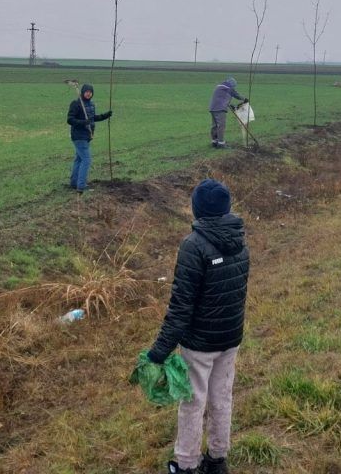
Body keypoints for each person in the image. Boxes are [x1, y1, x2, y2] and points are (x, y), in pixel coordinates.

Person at [147, 179, 250, 474]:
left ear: (197, 210)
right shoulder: (240, 239)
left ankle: (186, 464)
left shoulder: (193, 246)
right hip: (231, 337)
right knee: (221, 398)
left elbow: (181, 307)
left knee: (192, 403)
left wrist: (158, 352)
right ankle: (217, 460)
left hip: (200, 344)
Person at [66, 83, 112, 193]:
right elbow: (70, 120)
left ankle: (74, 183)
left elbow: (92, 118)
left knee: (79, 159)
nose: (88, 94)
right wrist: (83, 122)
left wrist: (105, 115)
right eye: (87, 92)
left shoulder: (91, 104)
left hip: (87, 136)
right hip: (79, 136)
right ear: (82, 92)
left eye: (90, 92)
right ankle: (81, 186)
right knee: (86, 160)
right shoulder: (76, 104)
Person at [208, 77, 246, 148]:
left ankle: (214, 141)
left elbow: (221, 98)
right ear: (232, 84)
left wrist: (229, 104)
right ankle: (221, 143)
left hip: (212, 108)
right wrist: (245, 99)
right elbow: (237, 95)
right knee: (221, 126)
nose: (233, 87)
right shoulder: (229, 88)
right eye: (234, 86)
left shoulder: (220, 86)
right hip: (220, 109)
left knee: (215, 125)